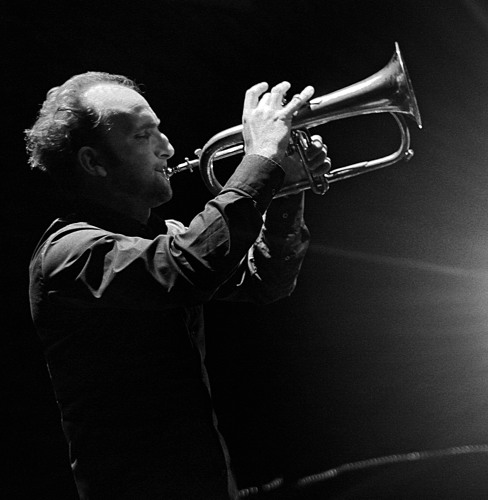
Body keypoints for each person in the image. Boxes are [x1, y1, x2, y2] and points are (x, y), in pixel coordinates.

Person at [26, 71, 330, 499]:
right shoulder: (69, 254)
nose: (167, 148)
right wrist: (262, 156)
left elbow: (267, 282)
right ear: (94, 162)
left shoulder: (160, 237)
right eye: (142, 135)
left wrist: (284, 189)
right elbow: (192, 265)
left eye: (159, 130)